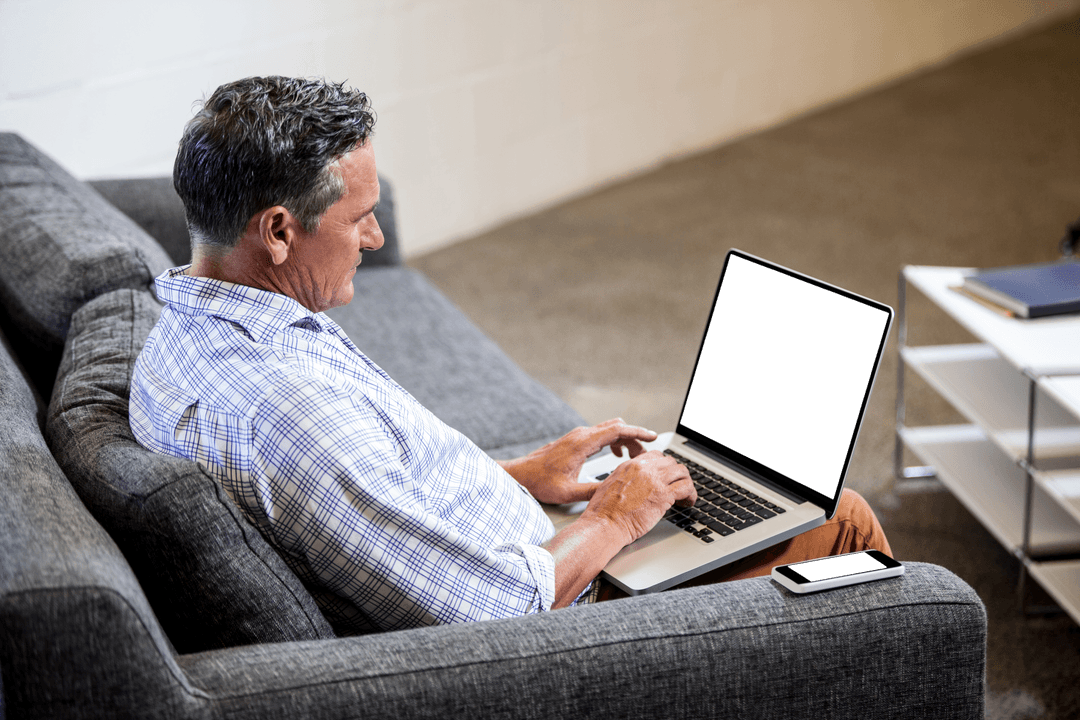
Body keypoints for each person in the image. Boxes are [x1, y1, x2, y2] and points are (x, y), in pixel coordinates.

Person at [130, 76, 891, 633]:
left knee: (735, 498)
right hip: (566, 613)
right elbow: (498, 609)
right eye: (358, 219)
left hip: (533, 536)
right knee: (842, 519)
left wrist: (528, 477)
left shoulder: (191, 328)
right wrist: (616, 521)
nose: (377, 239)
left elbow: (368, 500)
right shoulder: (289, 416)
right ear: (278, 231)